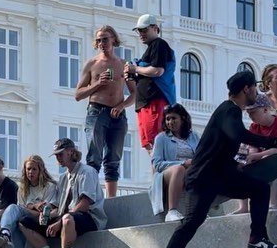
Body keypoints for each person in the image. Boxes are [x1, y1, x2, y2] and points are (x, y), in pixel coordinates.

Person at [149, 71, 277, 248]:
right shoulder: (229, 110)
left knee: (260, 188)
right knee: (191, 223)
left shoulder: (229, 112)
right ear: (246, 89)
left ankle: (257, 238)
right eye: (254, 88)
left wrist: (237, 166)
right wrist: (270, 141)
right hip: (203, 179)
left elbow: (224, 145)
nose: (257, 93)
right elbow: (237, 133)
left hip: (221, 176)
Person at [20, 138, 106, 248]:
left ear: (71, 152)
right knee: (24, 222)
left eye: (60, 154)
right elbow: (57, 207)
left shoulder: (87, 172)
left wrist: (59, 222)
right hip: (67, 217)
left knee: (66, 219)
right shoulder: (63, 178)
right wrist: (46, 213)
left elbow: (84, 204)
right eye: (56, 155)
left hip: (90, 218)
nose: (58, 158)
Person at [75, 25, 137, 197]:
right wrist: (97, 83)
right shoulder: (92, 64)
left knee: (113, 159)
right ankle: (90, 196)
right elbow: (78, 94)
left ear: (114, 40)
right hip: (96, 111)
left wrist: (121, 106)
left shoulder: (124, 64)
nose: (102, 43)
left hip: (117, 114)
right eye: (99, 40)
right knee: (94, 157)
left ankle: (111, 199)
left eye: (105, 39)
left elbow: (135, 93)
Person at [0, 155, 58, 248]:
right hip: (26, 218)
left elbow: (47, 210)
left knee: (13, 208)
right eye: (28, 169)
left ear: (41, 170)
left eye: (34, 169)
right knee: (17, 221)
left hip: (44, 219)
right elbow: (22, 209)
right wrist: (34, 206)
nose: (30, 172)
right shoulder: (22, 189)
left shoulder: (49, 186)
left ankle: (5, 233)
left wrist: (31, 207)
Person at [124, 13, 176, 153]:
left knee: (156, 142)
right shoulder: (152, 48)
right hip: (146, 102)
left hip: (155, 101)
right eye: (139, 31)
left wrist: (135, 69)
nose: (141, 34)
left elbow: (157, 71)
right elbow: (148, 74)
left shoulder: (159, 44)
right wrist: (133, 75)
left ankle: (162, 166)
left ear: (155, 28)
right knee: (150, 144)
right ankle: (158, 166)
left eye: (144, 30)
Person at [149, 103, 201, 221]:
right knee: (179, 169)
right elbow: (157, 164)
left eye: (173, 118)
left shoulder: (194, 136)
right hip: (167, 174)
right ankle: (171, 211)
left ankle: (200, 210)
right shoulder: (161, 138)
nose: (170, 122)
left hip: (191, 171)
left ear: (183, 118)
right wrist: (183, 163)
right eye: (167, 119)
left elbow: (202, 155)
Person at [241, 93, 277, 210]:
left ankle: (272, 203)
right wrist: (249, 157)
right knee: (243, 163)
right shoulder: (254, 127)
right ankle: (243, 206)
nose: (250, 116)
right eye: (248, 113)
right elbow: (253, 147)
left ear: (265, 109)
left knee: (268, 162)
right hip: (263, 157)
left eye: (253, 112)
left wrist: (256, 156)